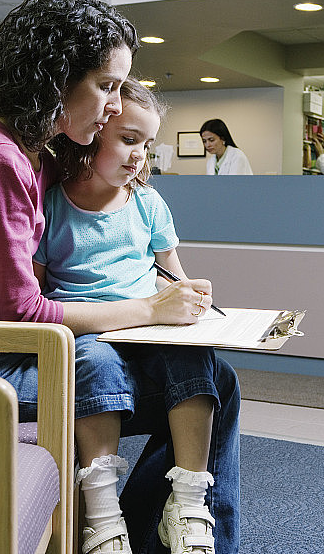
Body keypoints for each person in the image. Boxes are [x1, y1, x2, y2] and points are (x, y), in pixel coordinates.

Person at [0, 0, 239, 554]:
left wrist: (161, 282)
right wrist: (150, 310)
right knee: (211, 386)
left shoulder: (27, 147)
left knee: (197, 375)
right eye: (106, 86)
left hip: (5, 347)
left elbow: (103, 179)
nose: (113, 105)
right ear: (55, 77)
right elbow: (22, 309)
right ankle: (142, 530)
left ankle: (136, 528)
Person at [39, 77, 230, 554]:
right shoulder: (53, 204)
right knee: (95, 367)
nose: (139, 155)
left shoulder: (148, 203)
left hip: (149, 329)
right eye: (128, 140)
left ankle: (187, 504)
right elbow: (37, 289)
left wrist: (192, 296)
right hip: (89, 329)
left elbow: (173, 275)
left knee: (195, 361)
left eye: (147, 144)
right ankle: (102, 515)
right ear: (89, 136)